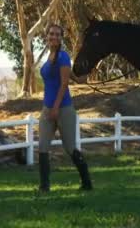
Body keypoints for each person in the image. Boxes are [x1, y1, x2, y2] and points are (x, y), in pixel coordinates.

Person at [38, 24, 92, 193]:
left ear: (61, 38)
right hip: (47, 109)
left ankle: (87, 183)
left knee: (70, 148)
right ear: (47, 36)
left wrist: (56, 108)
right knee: (42, 147)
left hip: (63, 109)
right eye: (51, 34)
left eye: (57, 34)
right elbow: (72, 77)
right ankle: (44, 187)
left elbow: (63, 84)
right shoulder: (49, 57)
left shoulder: (63, 57)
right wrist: (79, 78)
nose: (53, 36)